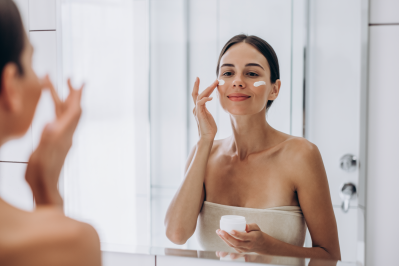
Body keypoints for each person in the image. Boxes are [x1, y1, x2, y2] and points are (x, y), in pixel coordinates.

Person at [165, 34, 341, 260]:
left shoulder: (300, 155)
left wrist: (267, 245)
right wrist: (205, 140)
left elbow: (329, 255)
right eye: (228, 73)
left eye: (252, 73)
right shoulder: (204, 154)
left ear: (274, 89)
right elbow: (176, 234)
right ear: (217, 87)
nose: (238, 81)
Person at [0, 1, 101, 265]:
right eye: (31, 61)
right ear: (10, 86)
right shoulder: (74, 243)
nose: (43, 81)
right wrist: (46, 188)